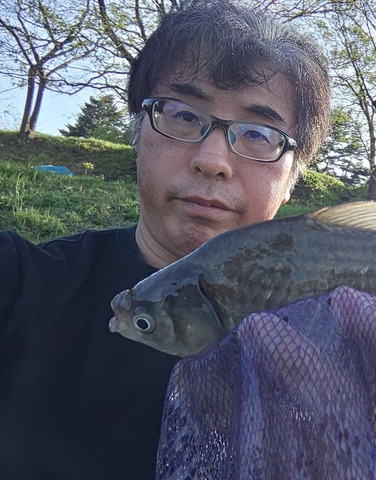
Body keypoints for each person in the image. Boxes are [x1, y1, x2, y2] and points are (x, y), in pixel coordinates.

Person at [0, 1, 331, 478]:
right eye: (183, 115)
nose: (212, 160)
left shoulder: (338, 317)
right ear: (138, 133)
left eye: (259, 134)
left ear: (292, 175)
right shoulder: (17, 284)